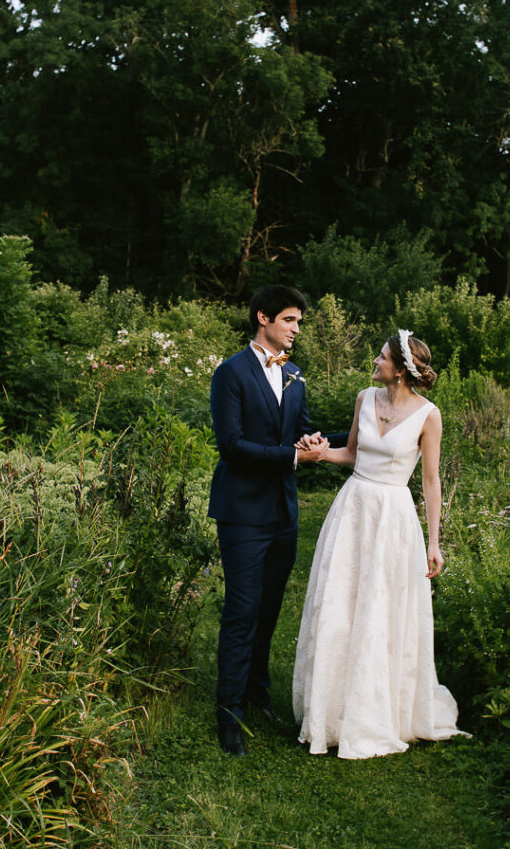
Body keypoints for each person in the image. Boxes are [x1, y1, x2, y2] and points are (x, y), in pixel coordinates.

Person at [292, 329, 466, 759]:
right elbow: (350, 453)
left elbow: (430, 480)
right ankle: (330, 711)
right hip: (353, 509)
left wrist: (435, 541)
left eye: (382, 356)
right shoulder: (364, 398)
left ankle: (377, 710)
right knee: (339, 601)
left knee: (382, 608)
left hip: (393, 517)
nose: (375, 359)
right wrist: (318, 455)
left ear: (402, 369)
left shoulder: (429, 415)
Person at [209, 285, 328, 757]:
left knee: (270, 608)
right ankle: (229, 713)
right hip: (242, 513)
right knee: (242, 611)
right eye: (290, 321)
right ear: (264, 318)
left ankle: (257, 692)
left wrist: (367, 433)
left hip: (282, 513)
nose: (297, 330)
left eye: (298, 321)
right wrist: (295, 460)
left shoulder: (294, 373)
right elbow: (232, 446)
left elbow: (301, 430)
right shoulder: (230, 373)